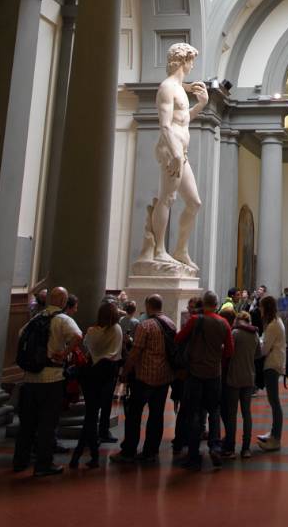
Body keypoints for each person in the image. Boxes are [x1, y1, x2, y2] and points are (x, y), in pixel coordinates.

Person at [13, 286, 82, 477]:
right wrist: (64, 353)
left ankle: (20, 461)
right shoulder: (62, 319)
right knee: (47, 423)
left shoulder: (36, 318)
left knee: (26, 424)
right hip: (51, 378)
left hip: (30, 378)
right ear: (63, 301)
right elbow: (78, 336)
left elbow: (20, 335)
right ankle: (43, 464)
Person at [151, 42, 208, 269]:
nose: (193, 65)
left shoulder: (179, 88)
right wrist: (175, 154)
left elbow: (184, 120)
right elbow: (165, 126)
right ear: (183, 61)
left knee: (194, 202)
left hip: (180, 152)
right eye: (191, 60)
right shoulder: (167, 87)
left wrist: (201, 104)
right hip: (170, 149)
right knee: (168, 198)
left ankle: (180, 250)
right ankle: (158, 250)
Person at [111, 294, 174, 464]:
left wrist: (125, 372)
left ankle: (129, 450)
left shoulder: (145, 325)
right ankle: (151, 451)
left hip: (144, 377)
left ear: (148, 306)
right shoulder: (170, 323)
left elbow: (135, 352)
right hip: (164, 377)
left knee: (134, 415)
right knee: (156, 415)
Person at [175, 289, 234, 470]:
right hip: (214, 373)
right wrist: (216, 356)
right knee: (214, 412)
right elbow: (230, 351)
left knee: (194, 413)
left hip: (195, 373)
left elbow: (178, 338)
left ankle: (193, 455)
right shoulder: (224, 323)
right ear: (216, 305)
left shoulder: (195, 320)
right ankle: (215, 446)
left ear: (204, 303)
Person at [70, 300, 123, 468]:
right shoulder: (116, 330)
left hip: (91, 374)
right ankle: (84, 454)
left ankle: (83, 454)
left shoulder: (92, 331)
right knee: (91, 416)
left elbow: (86, 346)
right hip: (106, 375)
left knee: (91, 415)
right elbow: (116, 352)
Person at [224, 310, 260, 458]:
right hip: (249, 376)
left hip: (234, 376)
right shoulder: (255, 334)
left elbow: (228, 352)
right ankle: (246, 448)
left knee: (231, 414)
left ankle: (230, 448)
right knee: (247, 413)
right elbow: (258, 354)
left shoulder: (235, 334)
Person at [257, 294, 286, 451]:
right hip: (274, 363)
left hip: (272, 365)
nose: (260, 310)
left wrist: (257, 345)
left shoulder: (273, 325)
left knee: (274, 402)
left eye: (261, 307)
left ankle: (276, 438)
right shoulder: (275, 322)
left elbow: (264, 349)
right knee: (273, 401)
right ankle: (274, 433)